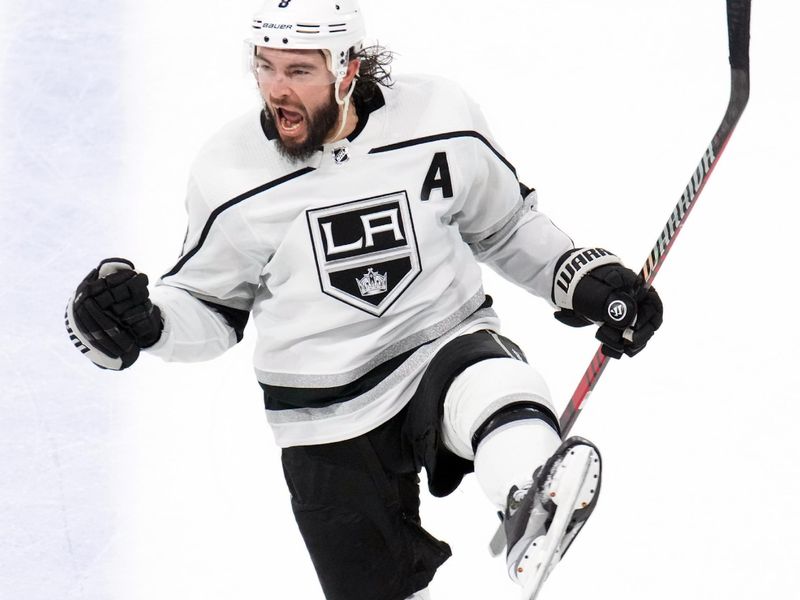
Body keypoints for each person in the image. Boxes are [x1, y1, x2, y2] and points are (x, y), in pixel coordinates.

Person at [65, 1, 663, 598]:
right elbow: (211, 303)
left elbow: (503, 225)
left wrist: (579, 276)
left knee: (495, 384)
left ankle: (533, 491)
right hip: (320, 412)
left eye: (298, 70)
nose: (277, 90)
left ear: (347, 68)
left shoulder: (439, 117)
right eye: (265, 67)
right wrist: (149, 322)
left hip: (437, 341)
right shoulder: (230, 172)